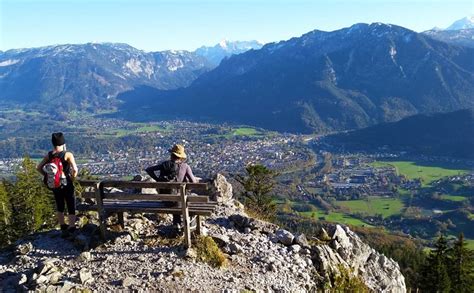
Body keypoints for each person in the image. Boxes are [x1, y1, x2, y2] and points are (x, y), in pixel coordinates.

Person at [145, 144, 197, 230]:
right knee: (184, 198)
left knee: (175, 199)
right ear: (181, 157)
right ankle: (190, 227)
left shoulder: (164, 165)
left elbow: (149, 169)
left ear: (171, 155)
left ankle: (176, 225)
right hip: (180, 202)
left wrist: (157, 179)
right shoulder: (185, 166)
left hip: (165, 201)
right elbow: (194, 182)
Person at [37, 132, 79, 237]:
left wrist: (46, 176)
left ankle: (63, 226)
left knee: (59, 204)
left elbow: (38, 167)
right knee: (70, 204)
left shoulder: (49, 155)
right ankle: (72, 227)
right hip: (66, 183)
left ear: (53, 143)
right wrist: (72, 178)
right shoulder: (67, 154)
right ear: (63, 142)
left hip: (55, 184)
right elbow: (75, 169)